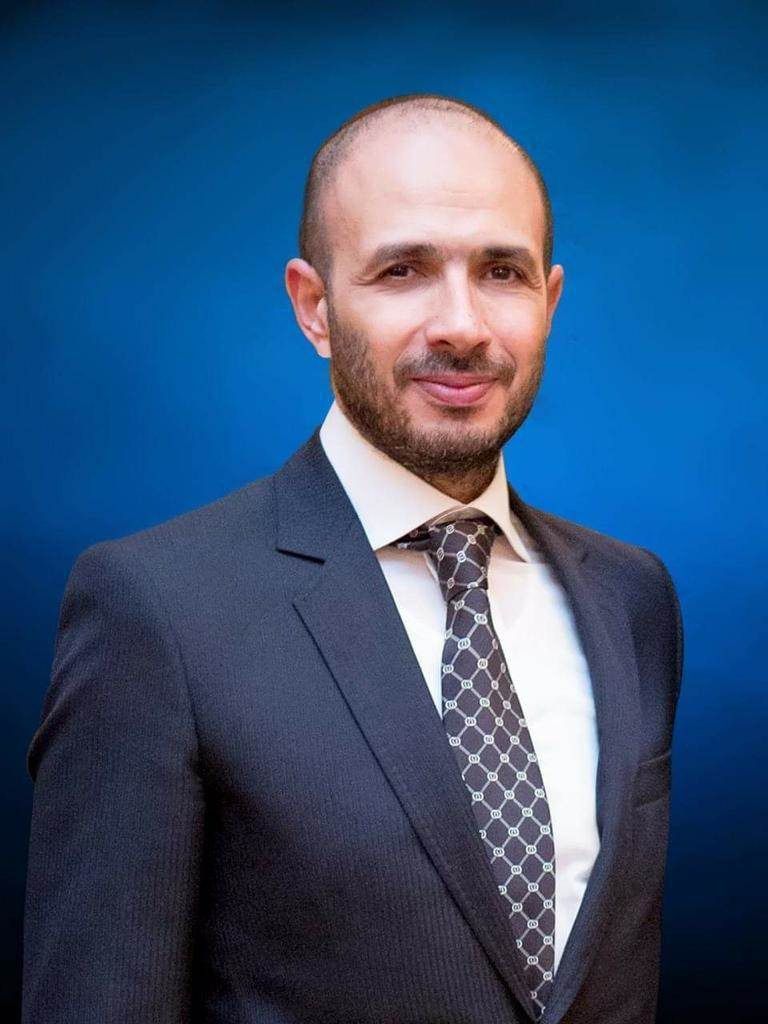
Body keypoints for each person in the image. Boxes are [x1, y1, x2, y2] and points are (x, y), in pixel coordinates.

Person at [22, 93, 684, 1024]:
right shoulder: (156, 610)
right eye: (403, 270)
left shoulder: (631, 598)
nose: (462, 325)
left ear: (550, 299)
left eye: (502, 271)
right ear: (315, 307)